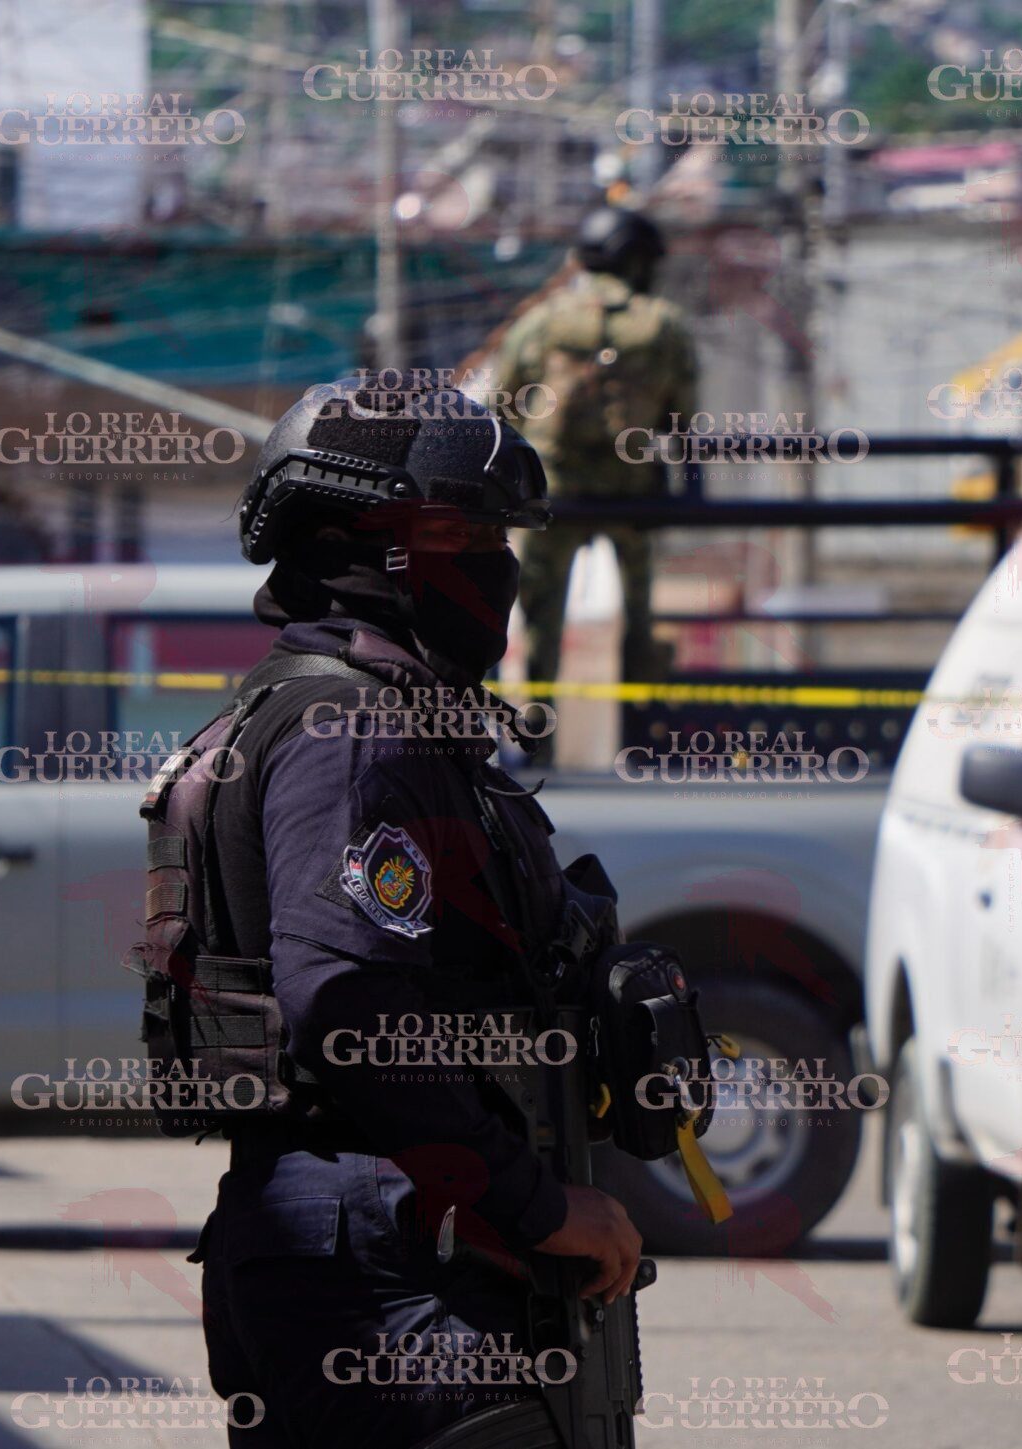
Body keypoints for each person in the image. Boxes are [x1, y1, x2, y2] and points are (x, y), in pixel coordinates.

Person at [192, 376, 642, 1448]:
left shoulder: (336, 710)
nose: (495, 561)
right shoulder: (351, 732)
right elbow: (348, 1004)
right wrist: (534, 1204)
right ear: (357, 540)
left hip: (381, 1240)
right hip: (394, 1260)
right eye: (461, 530)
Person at [494, 205, 697, 715]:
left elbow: (501, 406)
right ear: (637, 262)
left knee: (540, 618)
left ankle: (536, 735)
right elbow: (683, 421)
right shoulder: (664, 325)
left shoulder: (543, 319)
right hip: (632, 492)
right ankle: (642, 732)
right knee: (640, 614)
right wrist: (690, 487)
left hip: (552, 492)